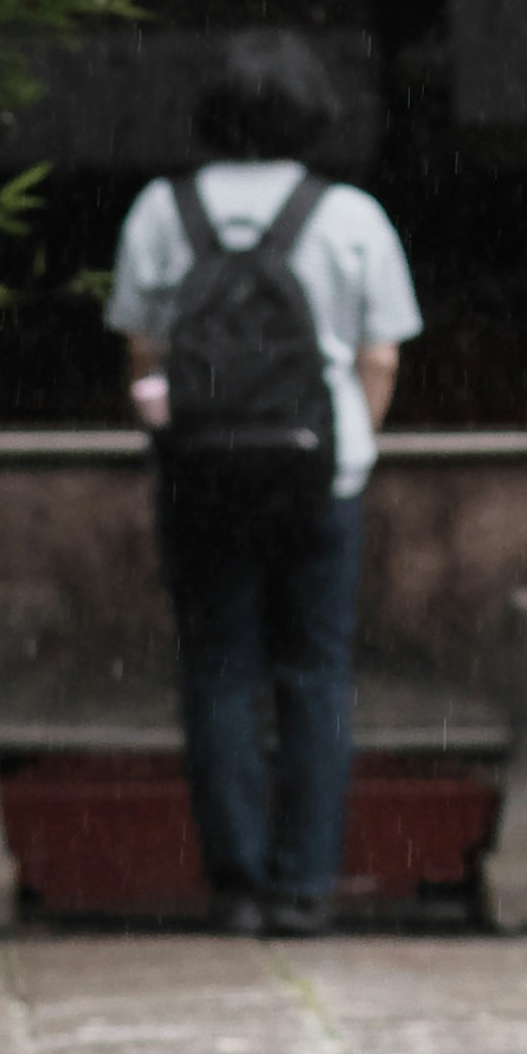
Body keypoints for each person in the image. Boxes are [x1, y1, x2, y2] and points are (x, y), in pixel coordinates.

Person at [107, 56, 422, 938]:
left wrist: (177, 428)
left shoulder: (163, 210)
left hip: (201, 470)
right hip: (320, 475)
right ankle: (306, 882)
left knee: (218, 670)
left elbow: (141, 349)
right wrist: (346, 440)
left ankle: (236, 884)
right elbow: (382, 353)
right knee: (314, 675)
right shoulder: (350, 214)